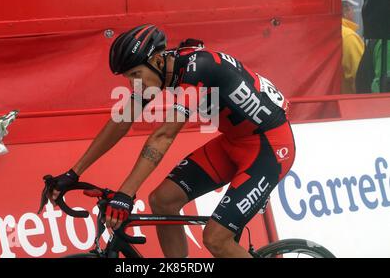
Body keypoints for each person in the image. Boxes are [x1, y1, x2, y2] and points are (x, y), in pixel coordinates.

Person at [45, 24, 295, 258]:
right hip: (233, 142)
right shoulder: (163, 69)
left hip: (269, 150)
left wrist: (126, 193)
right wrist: (73, 172)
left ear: (155, 60)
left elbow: (163, 136)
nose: (133, 83)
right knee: (162, 200)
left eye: (135, 74)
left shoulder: (197, 70)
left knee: (216, 239)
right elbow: (121, 120)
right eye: (127, 78)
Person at [341, 0, 365, 94]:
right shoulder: (349, 37)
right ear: (345, 10)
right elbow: (361, 79)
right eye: (351, 8)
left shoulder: (325, 34)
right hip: (347, 107)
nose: (353, 12)